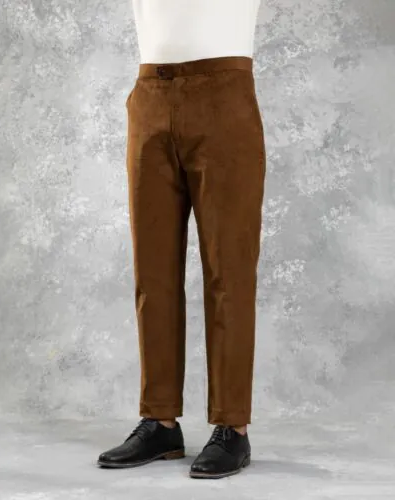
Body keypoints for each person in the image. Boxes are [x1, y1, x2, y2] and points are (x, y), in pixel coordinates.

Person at [97, 0, 266, 479]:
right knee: (152, 274)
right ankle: (160, 421)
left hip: (224, 97)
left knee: (229, 271)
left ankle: (232, 427)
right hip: (150, 96)